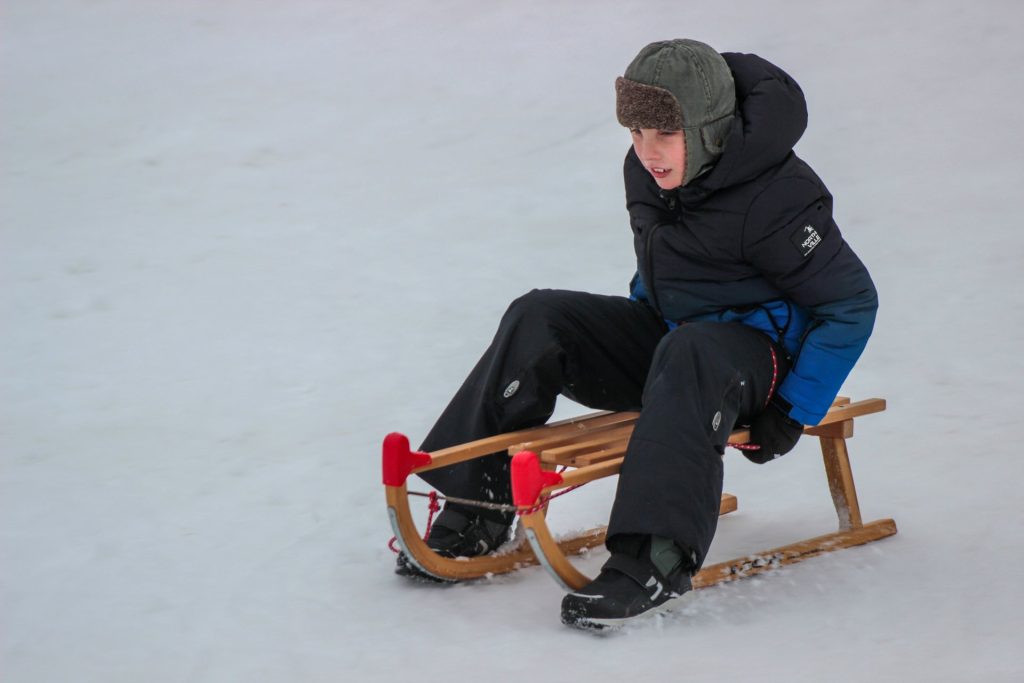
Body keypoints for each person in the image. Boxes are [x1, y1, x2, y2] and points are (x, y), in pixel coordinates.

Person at [396, 38, 878, 630]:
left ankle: (657, 554)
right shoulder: (647, 172)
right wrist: (628, 334)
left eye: (663, 135)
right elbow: (668, 259)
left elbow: (852, 304)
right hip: (679, 348)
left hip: (757, 364)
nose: (647, 152)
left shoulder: (776, 196)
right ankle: (477, 507)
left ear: (707, 129)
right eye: (634, 133)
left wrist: (793, 408)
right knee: (539, 314)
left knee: (692, 348)